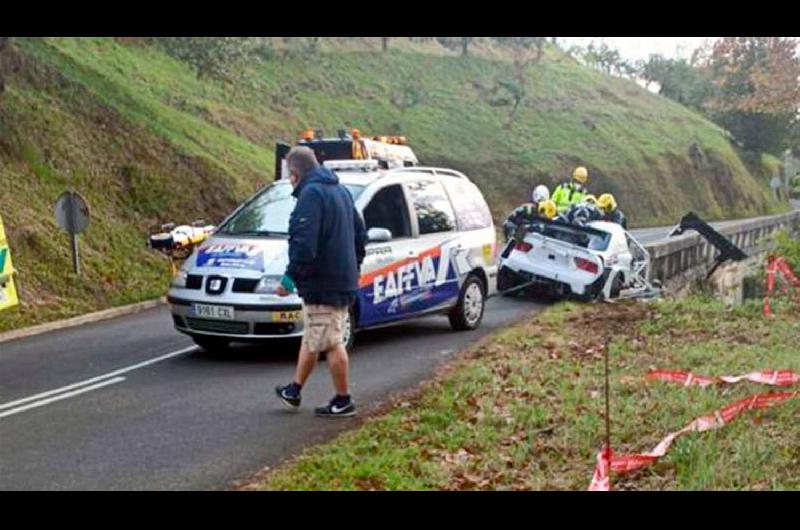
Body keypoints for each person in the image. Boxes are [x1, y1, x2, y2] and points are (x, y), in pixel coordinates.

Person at [275, 146, 367, 418]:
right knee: (315, 334)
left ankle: (343, 399)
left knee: (331, 341)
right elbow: (360, 235)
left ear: (294, 173)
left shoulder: (311, 195)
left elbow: (304, 244)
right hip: (339, 278)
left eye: (289, 176)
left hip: (323, 282)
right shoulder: (340, 192)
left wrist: (289, 280)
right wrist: (353, 267)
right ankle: (294, 389)